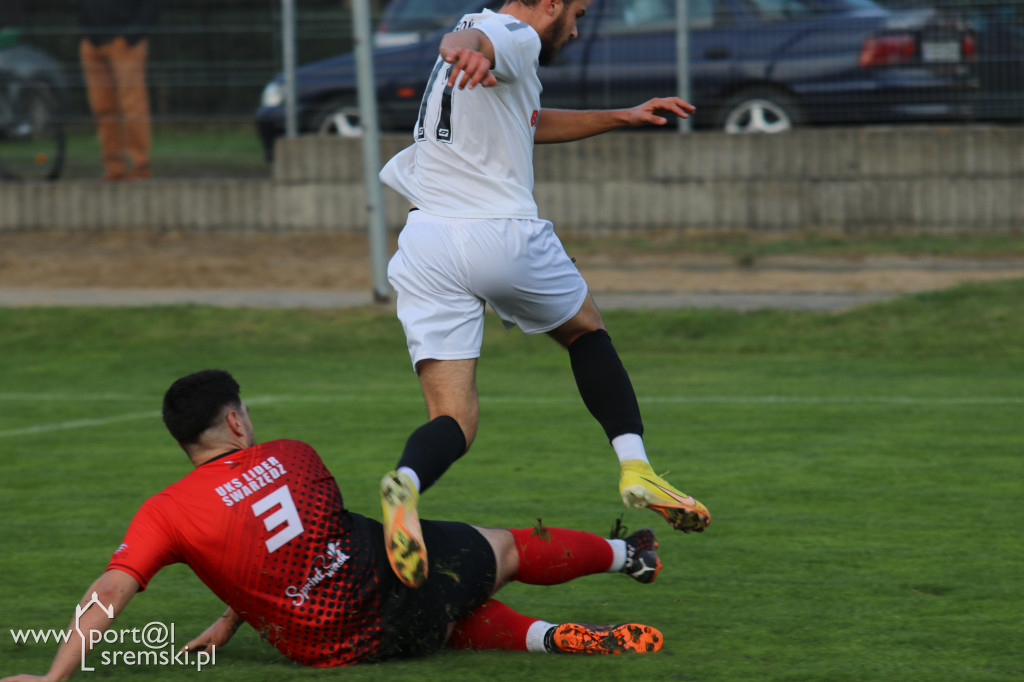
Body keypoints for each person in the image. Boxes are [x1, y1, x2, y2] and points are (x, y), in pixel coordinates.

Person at [1, 370, 668, 681]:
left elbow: (113, 590)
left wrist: (53, 678)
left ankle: (550, 639)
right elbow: (300, 536)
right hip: (394, 584)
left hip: (335, 648)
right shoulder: (292, 455)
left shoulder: (165, 513)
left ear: (184, 441)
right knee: (501, 549)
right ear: (236, 421)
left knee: (444, 623)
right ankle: (628, 554)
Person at [377, 0, 710, 588]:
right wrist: (463, 50)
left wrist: (620, 116)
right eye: (576, 11)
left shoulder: (484, 36)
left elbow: (526, 119)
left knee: (453, 418)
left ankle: (406, 482)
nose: (576, 27)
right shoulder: (512, 33)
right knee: (585, 329)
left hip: (425, 241)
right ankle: (636, 468)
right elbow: (477, 40)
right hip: (497, 233)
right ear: (550, 3)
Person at [79, 0, 161, 181]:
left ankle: (140, 165)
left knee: (132, 105)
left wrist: (132, 36)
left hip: (125, 42)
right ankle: (114, 167)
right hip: (93, 42)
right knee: (103, 108)